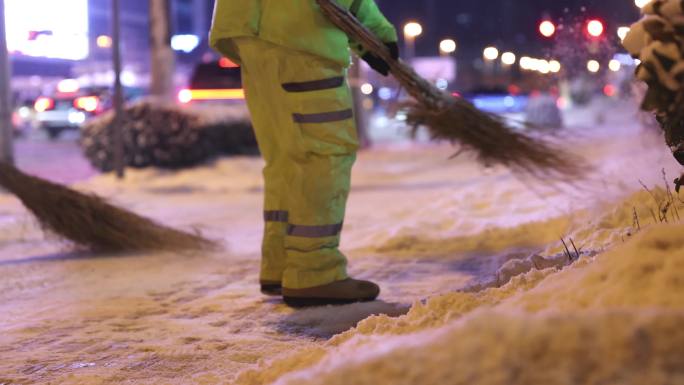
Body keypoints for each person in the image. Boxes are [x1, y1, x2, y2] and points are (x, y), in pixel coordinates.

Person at [209, 0, 398, 307]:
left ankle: (282, 263)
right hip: (297, 32)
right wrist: (376, 34)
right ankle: (314, 270)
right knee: (323, 153)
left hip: (249, 30)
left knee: (287, 155)